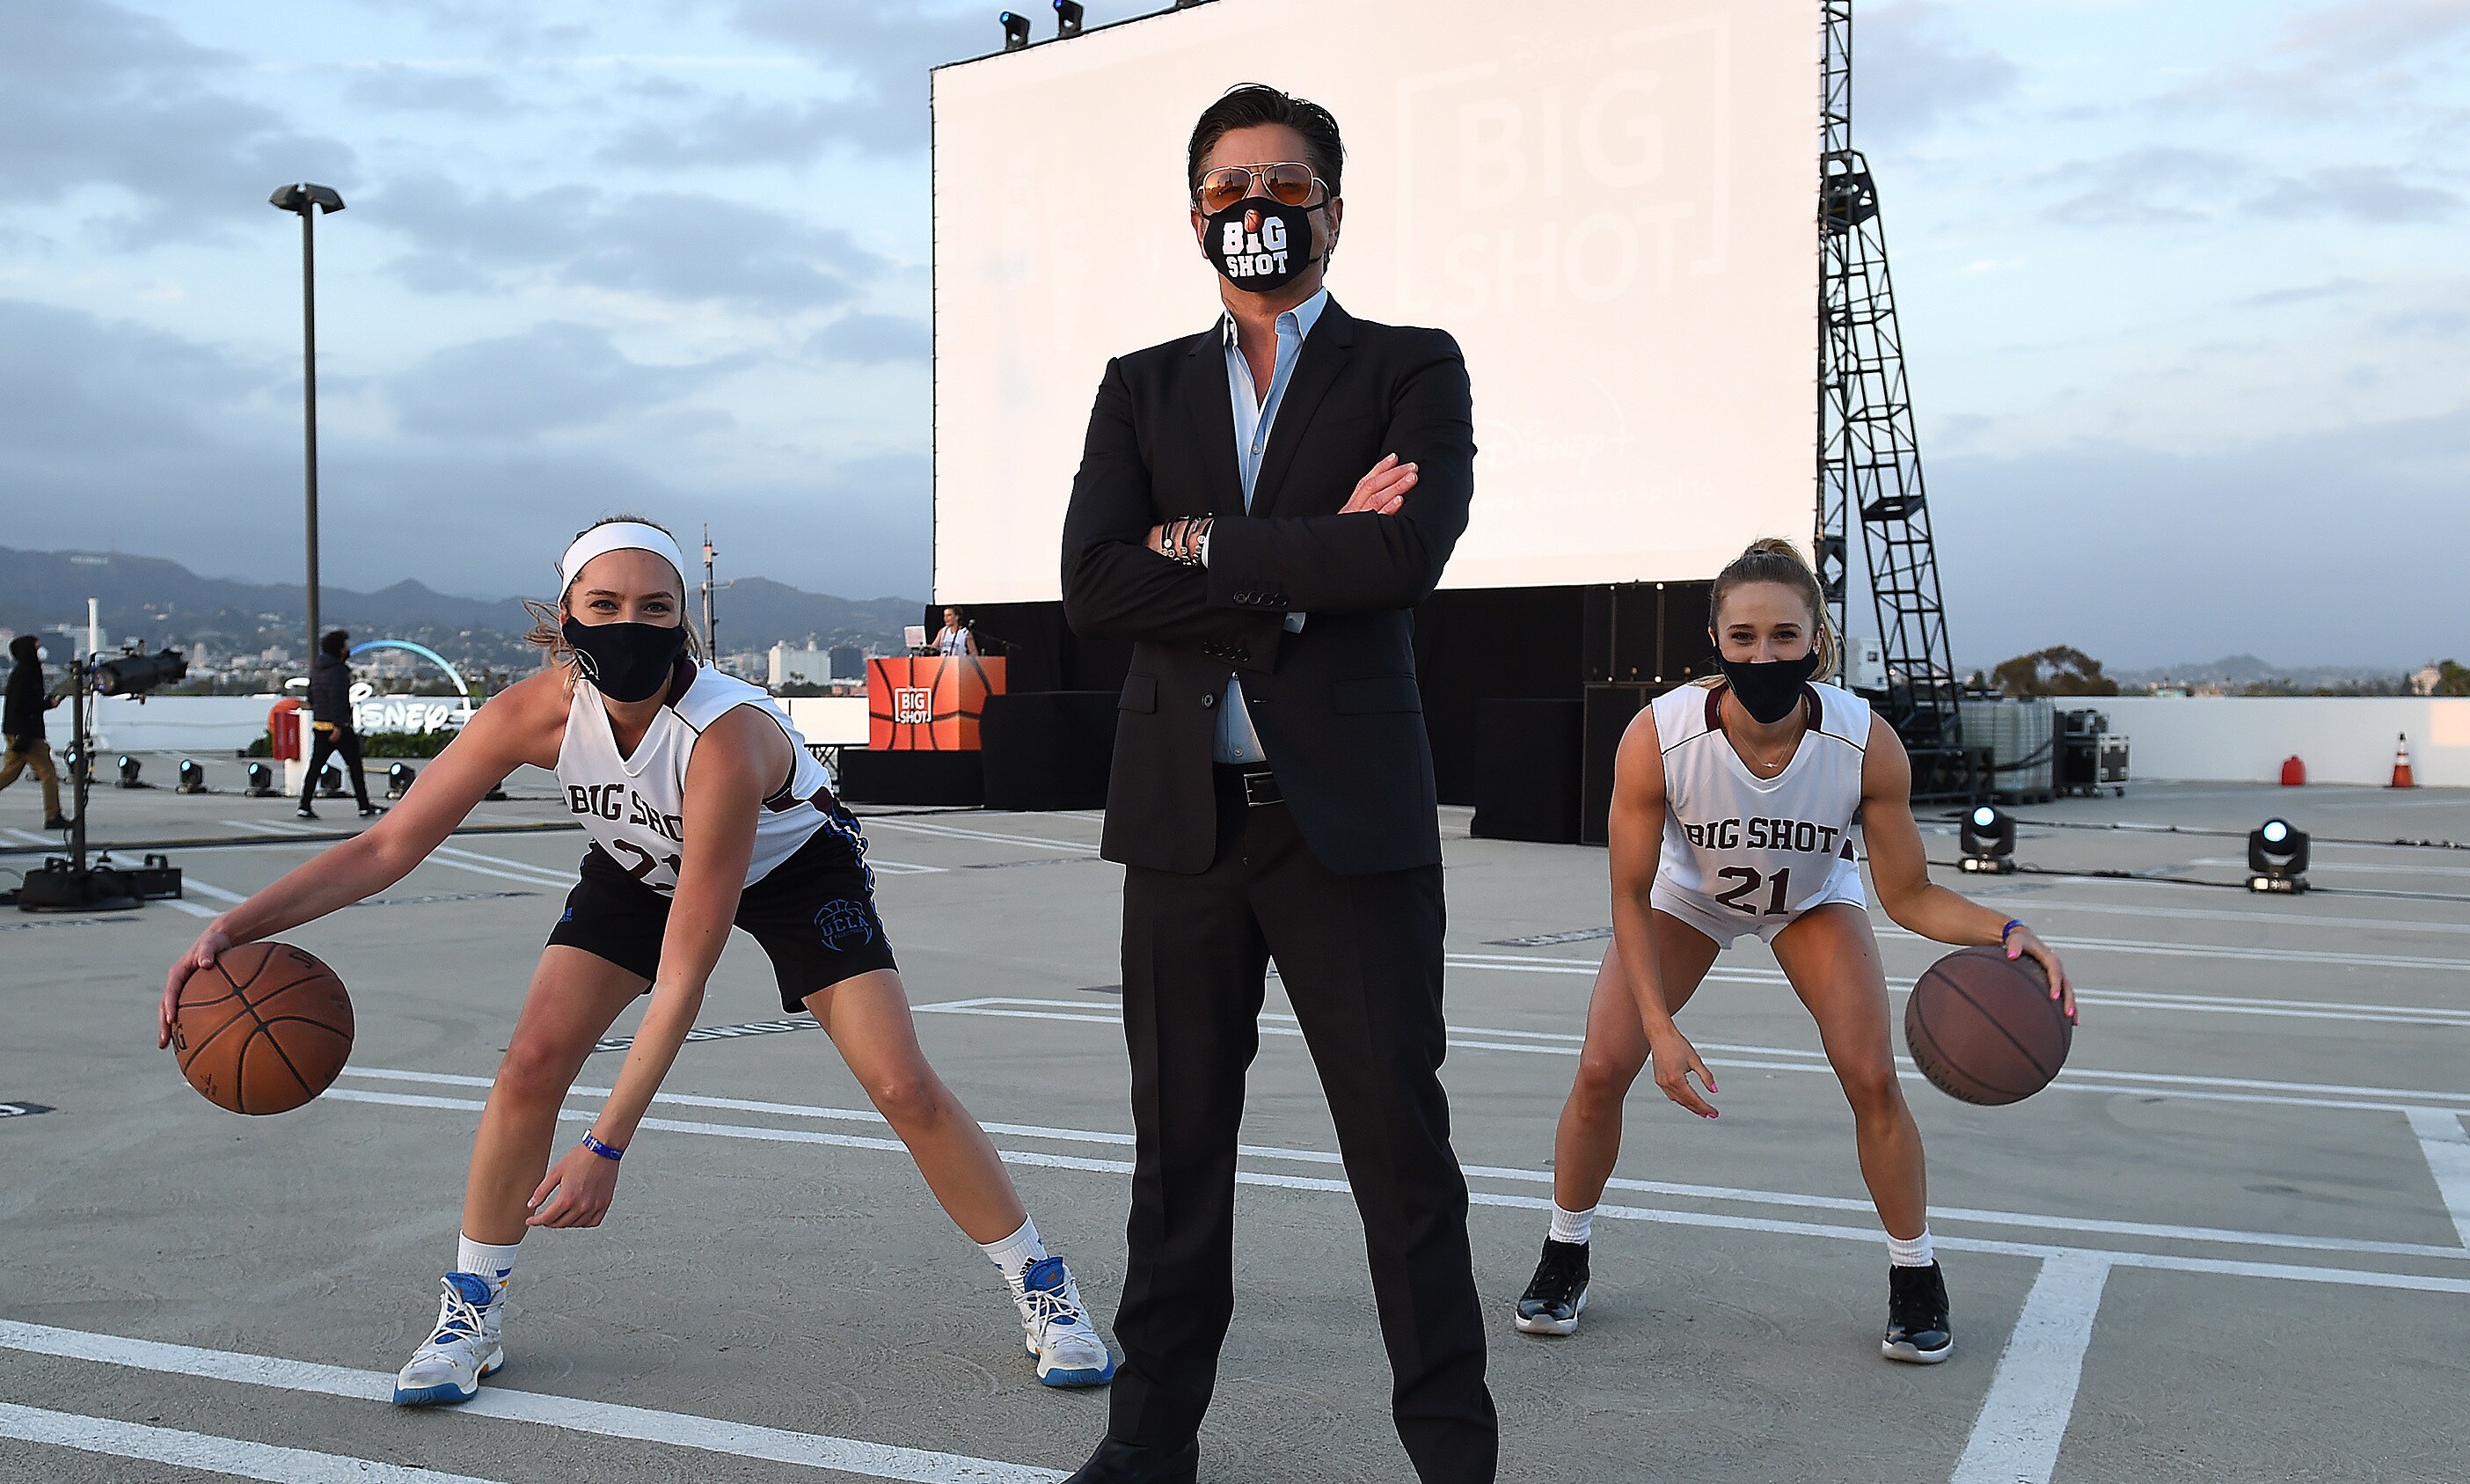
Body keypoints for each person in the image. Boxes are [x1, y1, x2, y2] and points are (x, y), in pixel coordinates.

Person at [159, 516, 1112, 1407]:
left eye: (655, 608)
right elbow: (384, 848)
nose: (630, 623)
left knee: (904, 1086)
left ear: (684, 622)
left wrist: (606, 1145)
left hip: (788, 866)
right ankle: (473, 1307)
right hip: (637, 862)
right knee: (531, 1061)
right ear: (564, 616)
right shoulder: (534, 714)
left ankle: (1041, 1282)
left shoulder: (723, 736)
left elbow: (685, 977)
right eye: (605, 606)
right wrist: (233, 929)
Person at [1059, 84, 1491, 1484]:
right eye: (1229, 186)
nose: (1257, 208)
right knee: (1177, 1160)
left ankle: (1449, 1452)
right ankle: (1148, 1445)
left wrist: (1200, 546)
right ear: (1194, 214)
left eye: (1285, 184)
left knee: (1399, 1159)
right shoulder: (1141, 383)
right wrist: (1290, 563)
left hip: (1347, 829)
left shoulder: (1412, 366)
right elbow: (1091, 581)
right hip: (1184, 830)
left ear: (1334, 208)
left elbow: (1400, 556)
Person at [1512, 537, 2078, 1365]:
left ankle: (1916, 1274)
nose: (1763, 653)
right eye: (1743, 636)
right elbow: (1628, 895)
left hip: (1810, 899)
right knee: (1603, 1068)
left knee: (1874, 1078)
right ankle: (1565, 1252)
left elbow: (1909, 894)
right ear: (1716, 639)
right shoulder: (1659, 735)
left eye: (1784, 635)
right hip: (1690, 898)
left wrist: (2005, 930)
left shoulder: (1863, 740)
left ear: (1817, 639)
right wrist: (1660, 1027)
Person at [0, 635, 68, 830]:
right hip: (27, 732)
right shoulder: (28, 673)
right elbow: (24, 705)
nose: (40, 648)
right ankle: (53, 815)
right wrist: (47, 704)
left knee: (8, 773)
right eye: (36, 645)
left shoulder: (23, 672)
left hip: (16, 730)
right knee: (48, 773)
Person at [298, 629, 378, 819]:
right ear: (340, 649)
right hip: (338, 727)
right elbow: (338, 699)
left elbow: (311, 695)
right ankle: (364, 805)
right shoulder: (338, 671)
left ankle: (304, 804)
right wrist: (339, 725)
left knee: (315, 767)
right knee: (355, 766)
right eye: (345, 645)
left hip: (319, 725)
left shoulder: (317, 669)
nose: (347, 648)